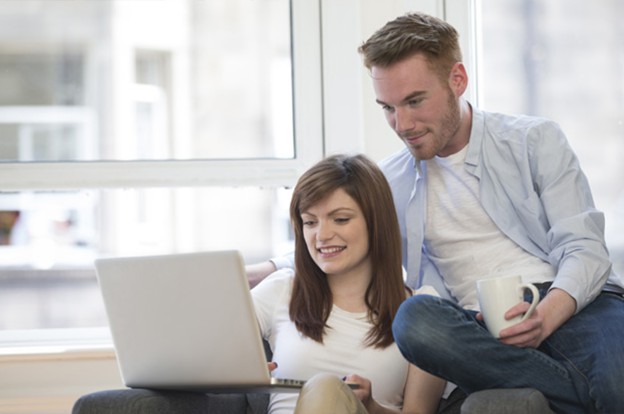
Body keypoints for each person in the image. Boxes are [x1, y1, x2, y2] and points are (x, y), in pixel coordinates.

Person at [250, 11, 624, 414]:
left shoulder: (533, 141)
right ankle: (581, 396)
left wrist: (546, 317)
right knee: (415, 320)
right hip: (478, 328)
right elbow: (339, 235)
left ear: (457, 80)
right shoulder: (391, 179)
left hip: (575, 302)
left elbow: (584, 247)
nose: (402, 123)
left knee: (616, 379)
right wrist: (263, 269)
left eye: (414, 101)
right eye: (388, 108)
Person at [251, 153, 448, 414]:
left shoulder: (423, 312)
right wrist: (234, 373)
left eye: (341, 219)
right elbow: (200, 350)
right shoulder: (282, 289)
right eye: (310, 222)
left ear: (375, 223)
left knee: (326, 388)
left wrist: (370, 406)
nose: (322, 235)